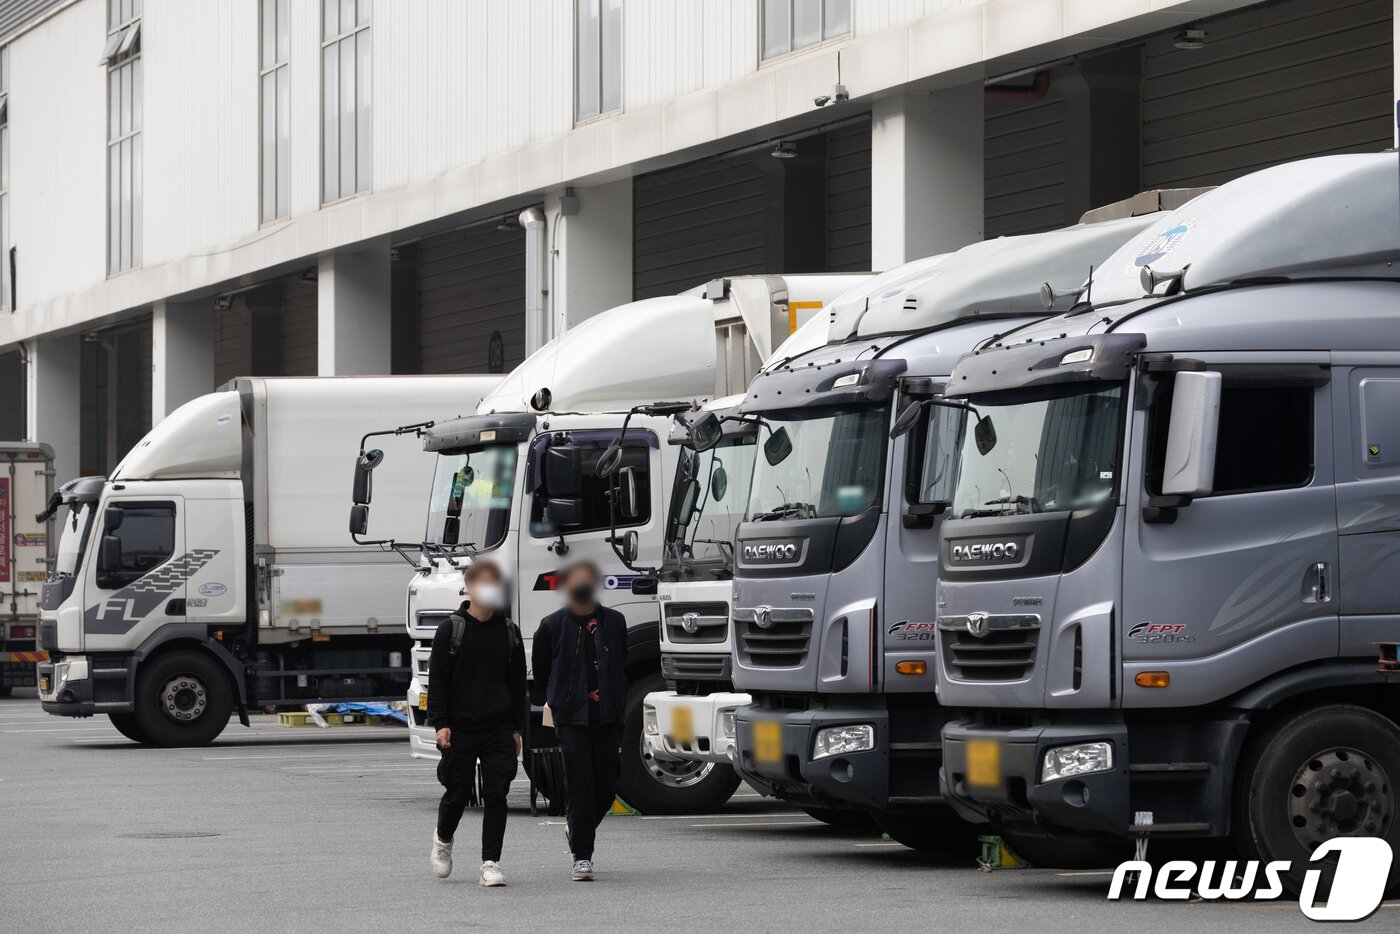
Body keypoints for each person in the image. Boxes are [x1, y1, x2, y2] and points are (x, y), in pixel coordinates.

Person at [426, 559, 525, 887]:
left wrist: (516, 728)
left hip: (497, 726)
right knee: (458, 792)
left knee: (498, 793)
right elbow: (437, 681)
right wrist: (440, 723)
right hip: (461, 726)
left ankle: (490, 863)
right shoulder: (451, 630)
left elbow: (517, 686)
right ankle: (443, 839)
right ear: (467, 588)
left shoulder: (510, 632)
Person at [531, 560, 628, 882]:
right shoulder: (551, 625)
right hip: (571, 718)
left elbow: (620, 665)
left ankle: (577, 827)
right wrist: (557, 701)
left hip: (608, 716)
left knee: (607, 785)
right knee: (580, 785)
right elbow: (543, 672)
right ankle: (582, 856)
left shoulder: (614, 621)